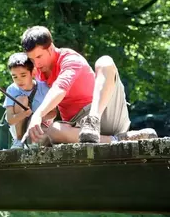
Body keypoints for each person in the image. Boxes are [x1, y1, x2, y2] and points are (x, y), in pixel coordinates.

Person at [19, 25, 158, 145]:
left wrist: (39, 113)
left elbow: (60, 88)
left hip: (103, 113)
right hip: (78, 128)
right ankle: (118, 140)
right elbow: (52, 111)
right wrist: (33, 118)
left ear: (50, 48)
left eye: (39, 57)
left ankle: (93, 121)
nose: (36, 63)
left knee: (105, 61)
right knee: (53, 131)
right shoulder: (37, 73)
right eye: (32, 59)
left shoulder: (70, 59)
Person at [2, 52, 56, 149]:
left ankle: (33, 142)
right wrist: (25, 114)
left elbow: (53, 113)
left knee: (46, 139)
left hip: (40, 126)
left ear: (33, 72)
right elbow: (10, 120)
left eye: (23, 75)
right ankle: (19, 140)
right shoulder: (11, 89)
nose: (19, 80)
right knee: (21, 99)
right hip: (19, 126)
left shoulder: (45, 87)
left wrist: (36, 118)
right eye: (14, 77)